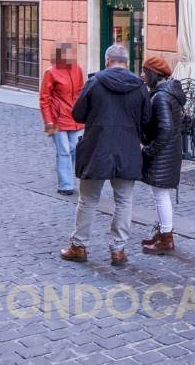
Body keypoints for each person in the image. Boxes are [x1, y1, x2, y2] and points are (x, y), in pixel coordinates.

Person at [63, 43, 147, 267]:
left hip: (97, 147)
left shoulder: (95, 82)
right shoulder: (139, 85)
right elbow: (146, 118)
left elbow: (78, 113)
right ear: (126, 63)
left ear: (107, 60)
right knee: (124, 200)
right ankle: (118, 250)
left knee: (88, 200)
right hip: (127, 148)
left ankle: (79, 246)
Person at [139, 55, 185, 255]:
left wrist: (148, 150)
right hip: (169, 152)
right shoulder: (167, 93)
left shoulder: (161, 97)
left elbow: (165, 129)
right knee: (160, 194)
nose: (142, 75)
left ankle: (166, 237)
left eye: (145, 72)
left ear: (153, 74)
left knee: (161, 195)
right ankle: (162, 233)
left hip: (163, 154)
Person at [40, 43, 86, 195]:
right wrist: (48, 121)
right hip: (57, 119)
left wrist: (84, 113)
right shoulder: (51, 72)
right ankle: (66, 185)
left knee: (75, 149)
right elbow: (45, 98)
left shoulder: (78, 69)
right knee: (64, 151)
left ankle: (67, 177)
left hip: (75, 118)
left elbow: (81, 92)